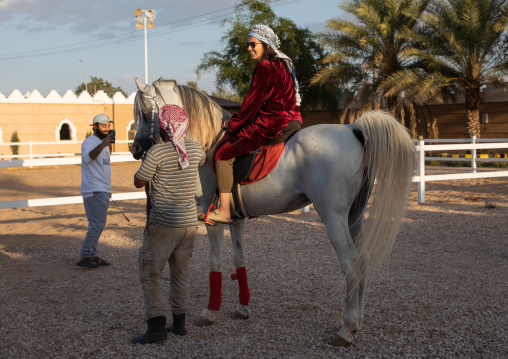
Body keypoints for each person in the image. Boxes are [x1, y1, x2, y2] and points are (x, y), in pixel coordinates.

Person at [204, 24, 303, 224]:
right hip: (292, 120)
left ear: (266, 45)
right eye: (248, 45)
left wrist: (233, 124)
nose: (249, 48)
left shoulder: (265, 67)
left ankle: (224, 210)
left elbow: (251, 104)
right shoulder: (283, 65)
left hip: (270, 123)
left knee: (222, 153)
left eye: (252, 44)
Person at [131, 104, 205, 345]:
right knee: (180, 273)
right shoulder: (195, 150)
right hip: (188, 224)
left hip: (163, 224)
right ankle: (180, 325)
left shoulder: (157, 153)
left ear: (162, 128)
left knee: (150, 273)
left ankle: (155, 328)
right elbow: (200, 158)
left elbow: (139, 182)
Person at [76, 114, 114, 269]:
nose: (106, 129)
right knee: (97, 224)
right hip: (94, 189)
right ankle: (85, 254)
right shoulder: (90, 142)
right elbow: (88, 157)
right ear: (95, 126)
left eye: (108, 126)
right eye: (103, 126)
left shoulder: (102, 144)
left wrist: (106, 145)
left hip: (103, 189)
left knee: (98, 224)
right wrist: (104, 144)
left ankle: (91, 254)